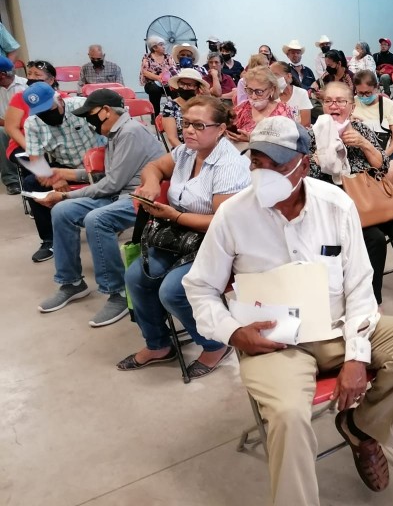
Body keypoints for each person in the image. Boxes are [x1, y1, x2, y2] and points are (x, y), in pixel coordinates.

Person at [183, 115, 393, 505]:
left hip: (336, 327)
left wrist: (356, 355)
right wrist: (233, 332)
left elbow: (359, 286)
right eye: (257, 162)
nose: (264, 173)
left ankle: (362, 428)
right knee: (286, 414)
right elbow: (199, 287)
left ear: (305, 161)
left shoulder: (335, 205)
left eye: (277, 164)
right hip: (274, 342)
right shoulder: (234, 214)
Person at [118, 96, 251, 378]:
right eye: (186, 123)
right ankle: (158, 345)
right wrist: (152, 184)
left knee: (174, 290)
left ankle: (215, 345)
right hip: (178, 234)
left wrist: (174, 216)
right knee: (135, 278)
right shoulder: (185, 153)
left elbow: (221, 222)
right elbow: (154, 167)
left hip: (218, 240)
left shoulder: (229, 165)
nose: (189, 131)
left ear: (221, 129)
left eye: (199, 125)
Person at [309, 82, 393, 317]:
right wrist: (321, 158)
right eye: (329, 101)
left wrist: (362, 142)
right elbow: (309, 177)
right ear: (322, 104)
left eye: (341, 101)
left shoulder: (361, 128)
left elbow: (382, 165)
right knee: (375, 239)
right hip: (338, 206)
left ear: (351, 106)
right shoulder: (314, 133)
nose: (334, 106)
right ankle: (372, 301)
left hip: (371, 199)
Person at [35, 89, 165, 326]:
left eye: (90, 115)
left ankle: (117, 292)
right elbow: (107, 175)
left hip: (142, 197)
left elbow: (111, 183)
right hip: (119, 192)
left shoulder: (130, 132)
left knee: (97, 219)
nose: (87, 121)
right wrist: (63, 174)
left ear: (106, 111)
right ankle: (72, 283)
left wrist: (65, 196)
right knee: (62, 212)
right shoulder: (115, 133)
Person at [20, 82, 101, 262]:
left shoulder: (81, 106)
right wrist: (54, 179)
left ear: (58, 98)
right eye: (40, 112)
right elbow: (36, 159)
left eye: (48, 109)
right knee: (31, 183)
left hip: (100, 165)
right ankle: (50, 240)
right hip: (65, 167)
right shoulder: (32, 124)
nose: (46, 115)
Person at [352, 71, 393, 188]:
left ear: (376, 88)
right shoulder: (351, 103)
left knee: (392, 170)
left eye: (368, 93)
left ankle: (392, 202)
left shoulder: (388, 105)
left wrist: (384, 155)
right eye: (360, 93)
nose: (364, 97)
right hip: (361, 152)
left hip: (389, 149)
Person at [228, 65, 295, 145]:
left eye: (259, 92)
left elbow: (287, 143)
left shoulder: (283, 111)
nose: (253, 96)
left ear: (272, 90)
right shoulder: (242, 108)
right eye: (249, 90)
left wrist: (252, 139)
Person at [162, 68, 208, 149]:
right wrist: (188, 154)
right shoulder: (170, 106)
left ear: (198, 88)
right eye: (182, 84)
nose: (185, 88)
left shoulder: (204, 105)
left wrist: (208, 97)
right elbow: (172, 138)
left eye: (190, 85)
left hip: (204, 147)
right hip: (182, 149)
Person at [0, 56, 26, 194]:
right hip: (4, 126)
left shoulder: (26, 85)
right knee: (0, 133)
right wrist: (11, 124)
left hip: (27, 126)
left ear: (2, 75)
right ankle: (12, 180)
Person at [140, 36, 177, 116]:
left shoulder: (168, 56)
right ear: (154, 47)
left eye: (164, 44)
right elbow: (145, 72)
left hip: (167, 82)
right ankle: (155, 115)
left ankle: (176, 112)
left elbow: (173, 69)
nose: (164, 47)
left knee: (176, 89)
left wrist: (165, 77)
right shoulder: (147, 57)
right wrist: (158, 78)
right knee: (154, 90)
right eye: (161, 45)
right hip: (152, 83)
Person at [271, 61, 313, 127]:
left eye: (276, 75)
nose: (273, 79)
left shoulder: (301, 93)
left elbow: (306, 123)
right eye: (271, 76)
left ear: (288, 76)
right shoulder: (271, 97)